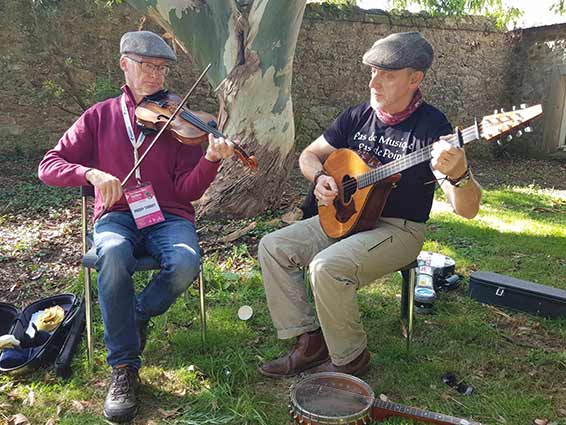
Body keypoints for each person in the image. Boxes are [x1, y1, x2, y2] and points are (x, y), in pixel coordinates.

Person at [257, 32, 482, 379]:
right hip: (347, 219)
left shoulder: (431, 129)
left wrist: (460, 174)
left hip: (398, 228)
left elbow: (466, 209)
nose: (374, 82)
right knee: (273, 246)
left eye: (387, 74)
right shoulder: (357, 116)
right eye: (373, 71)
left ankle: (350, 359)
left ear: (415, 79)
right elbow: (310, 155)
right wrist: (320, 178)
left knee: (326, 267)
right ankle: (310, 340)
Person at [38, 31, 236, 422]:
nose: (156, 75)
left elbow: (186, 190)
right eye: (147, 66)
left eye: (162, 68)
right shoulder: (99, 116)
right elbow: (49, 165)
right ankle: (124, 367)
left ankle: (138, 314)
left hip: (170, 216)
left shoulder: (179, 121)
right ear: (124, 64)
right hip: (116, 216)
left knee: (184, 264)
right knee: (111, 253)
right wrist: (90, 173)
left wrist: (210, 160)